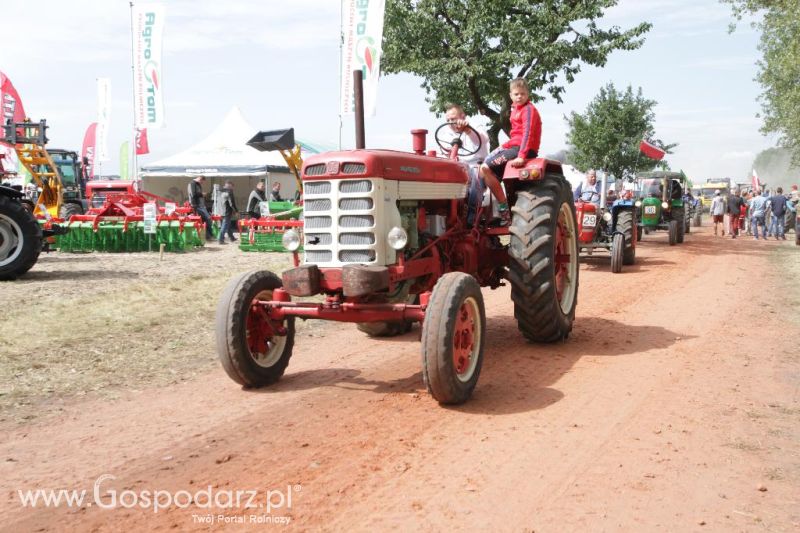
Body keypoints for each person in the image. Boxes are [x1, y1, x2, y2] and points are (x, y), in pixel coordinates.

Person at [479, 78, 541, 225]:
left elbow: (527, 134)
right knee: (482, 170)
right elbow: (515, 136)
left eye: (523, 94)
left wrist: (521, 156)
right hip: (515, 146)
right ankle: (485, 211)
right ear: (511, 95)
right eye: (516, 94)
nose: (519, 96)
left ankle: (503, 208)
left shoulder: (528, 110)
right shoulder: (514, 111)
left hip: (524, 149)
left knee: (486, 167)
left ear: (528, 95)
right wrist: (502, 147)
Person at [439, 103, 489, 225]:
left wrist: (468, 130)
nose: (451, 122)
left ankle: (472, 217)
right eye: (448, 120)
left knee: (476, 173)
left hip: (476, 165)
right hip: (457, 167)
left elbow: (482, 139)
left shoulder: (475, 126)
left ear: (463, 116)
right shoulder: (445, 133)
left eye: (454, 119)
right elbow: (444, 154)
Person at [187, 175, 214, 240]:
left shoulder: (197, 184)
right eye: (202, 182)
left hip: (200, 205)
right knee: (208, 219)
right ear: (200, 179)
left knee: (204, 220)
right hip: (197, 205)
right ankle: (209, 236)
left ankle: (206, 236)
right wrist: (202, 194)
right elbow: (193, 194)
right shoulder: (192, 184)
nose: (202, 183)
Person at [218, 180, 239, 244]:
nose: (233, 188)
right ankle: (221, 239)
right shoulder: (229, 192)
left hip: (220, 211)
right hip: (226, 211)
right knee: (224, 226)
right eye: (232, 186)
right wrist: (236, 211)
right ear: (229, 185)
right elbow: (232, 203)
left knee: (228, 224)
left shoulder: (220, 191)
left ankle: (232, 237)